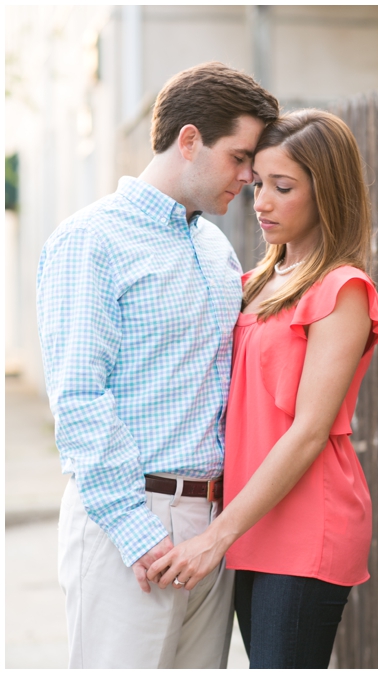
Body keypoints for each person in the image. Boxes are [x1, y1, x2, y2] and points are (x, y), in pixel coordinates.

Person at [36, 62, 279, 668]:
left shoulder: (214, 246)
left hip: (213, 525)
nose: (250, 178)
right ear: (189, 139)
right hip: (130, 520)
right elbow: (78, 401)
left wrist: (215, 532)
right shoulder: (89, 240)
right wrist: (140, 535)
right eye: (239, 157)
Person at [147, 109, 378, 668]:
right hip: (250, 521)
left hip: (306, 523)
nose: (260, 202)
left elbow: (309, 431)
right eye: (258, 184)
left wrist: (216, 536)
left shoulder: (341, 289)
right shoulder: (257, 278)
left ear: (325, 192)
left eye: (283, 188)